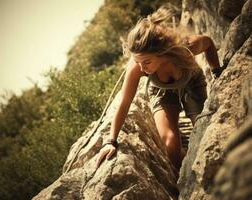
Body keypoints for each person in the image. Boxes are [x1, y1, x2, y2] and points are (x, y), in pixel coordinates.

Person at [96, 7, 225, 171]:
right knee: (171, 143)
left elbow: (208, 42)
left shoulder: (185, 49)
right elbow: (124, 102)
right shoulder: (137, 68)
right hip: (161, 91)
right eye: (138, 61)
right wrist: (111, 141)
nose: (142, 68)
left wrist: (217, 72)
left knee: (203, 127)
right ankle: (187, 178)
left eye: (147, 62)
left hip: (191, 81)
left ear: (162, 53)